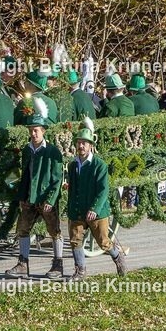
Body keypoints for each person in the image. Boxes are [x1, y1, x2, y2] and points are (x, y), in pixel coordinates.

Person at [5, 99, 65, 279]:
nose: (33, 133)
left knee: (54, 231)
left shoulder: (52, 152)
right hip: (30, 198)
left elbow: (57, 179)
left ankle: (58, 265)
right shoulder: (27, 150)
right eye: (31, 130)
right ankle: (23, 263)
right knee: (23, 228)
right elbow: (25, 175)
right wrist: (22, 196)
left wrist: (51, 200)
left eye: (36, 130)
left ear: (43, 131)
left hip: (46, 199)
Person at [66, 118, 128, 280]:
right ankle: (80, 271)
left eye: (84, 143)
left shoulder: (99, 165)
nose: (81, 146)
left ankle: (117, 257)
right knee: (75, 240)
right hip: (78, 209)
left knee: (103, 242)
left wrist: (95, 209)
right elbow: (72, 189)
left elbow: (103, 190)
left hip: (97, 211)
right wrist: (71, 207)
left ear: (90, 145)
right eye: (79, 143)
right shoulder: (73, 166)